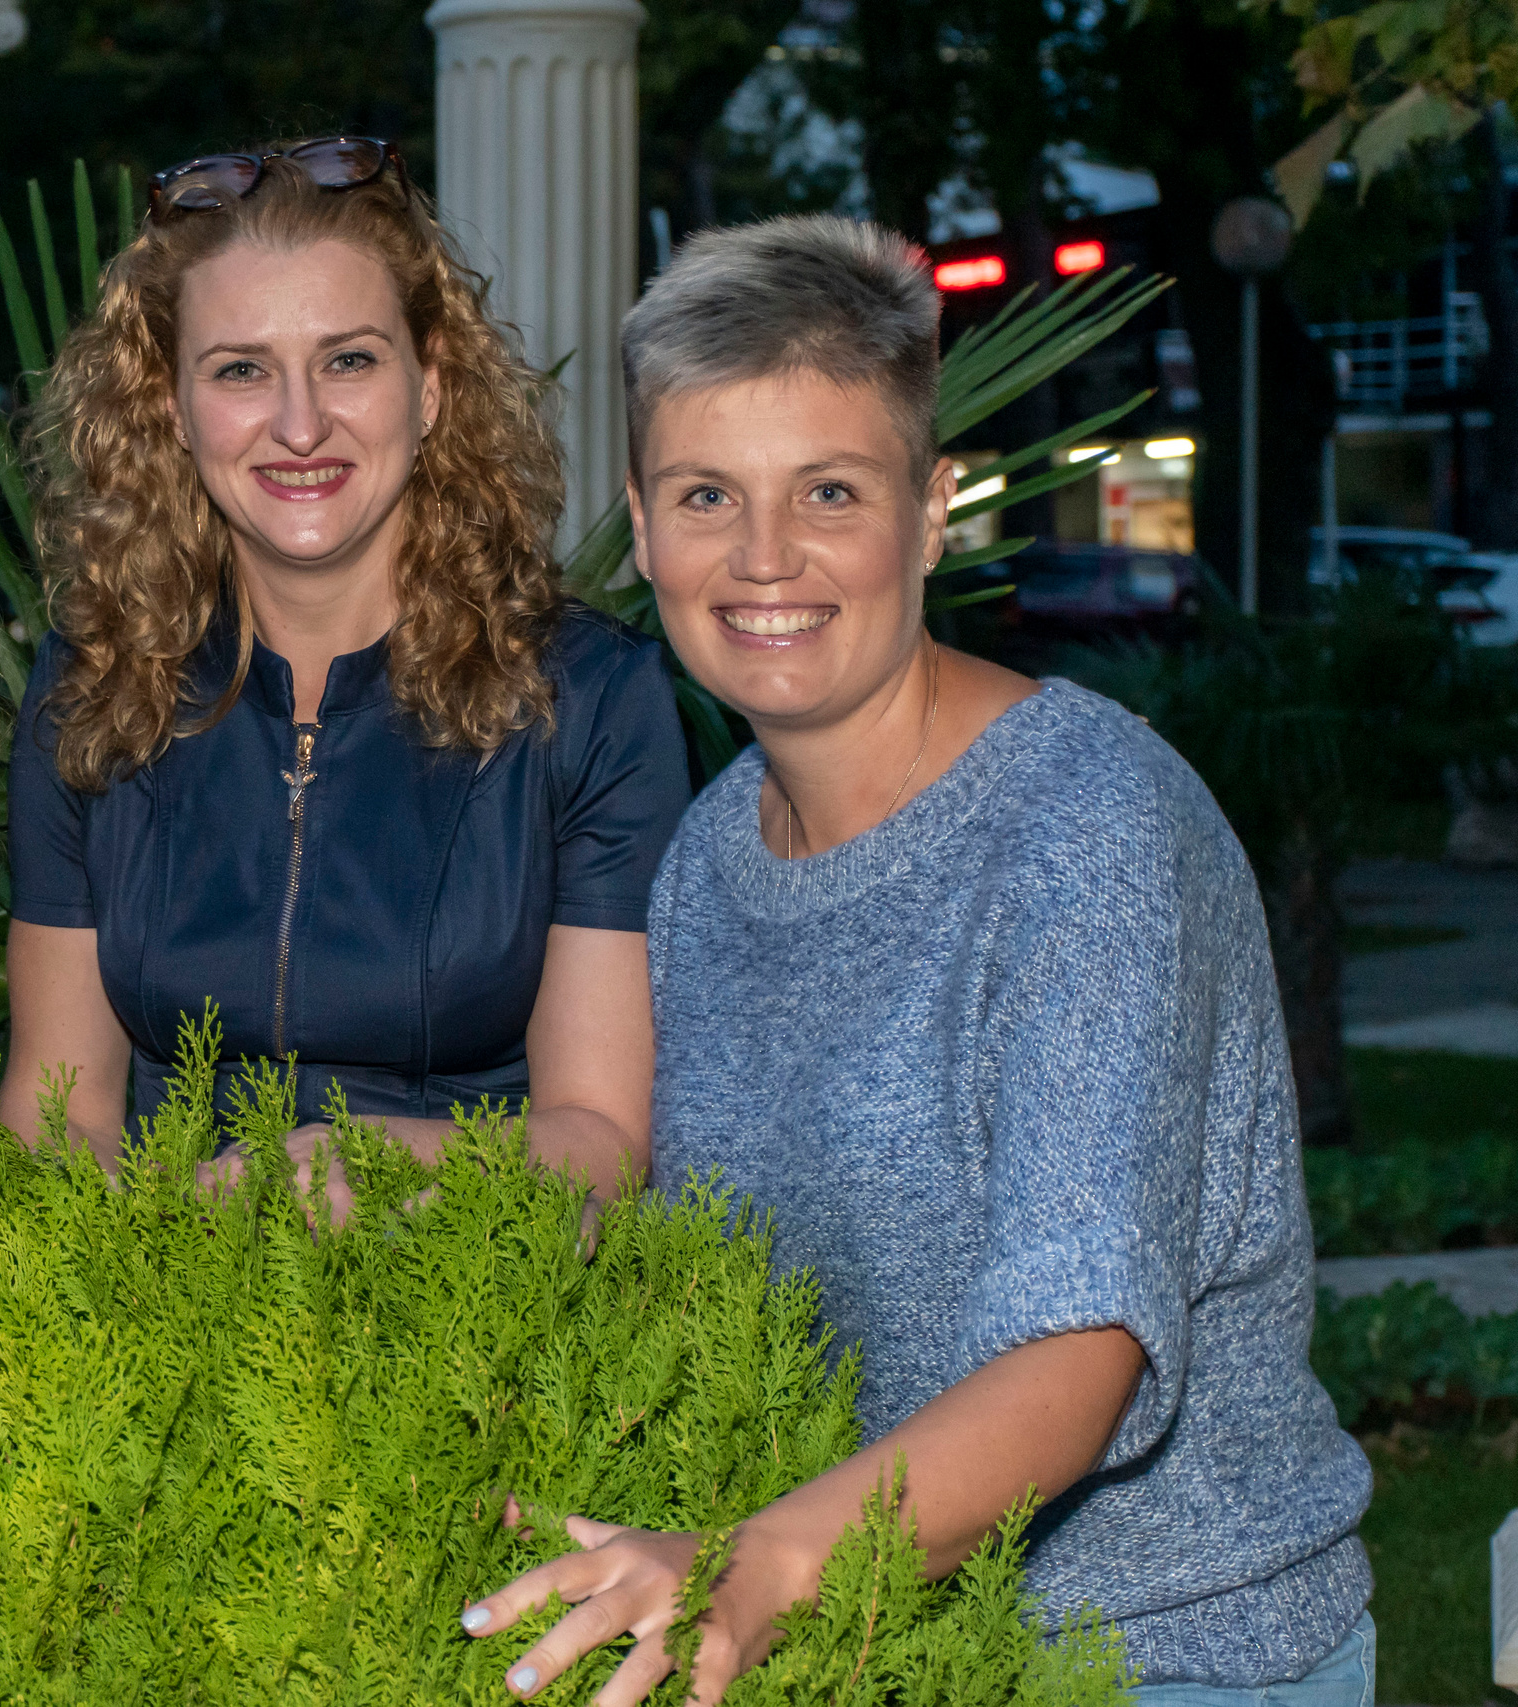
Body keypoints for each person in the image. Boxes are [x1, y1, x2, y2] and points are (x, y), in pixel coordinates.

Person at [460, 217, 1372, 1705]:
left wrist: (747, 1566)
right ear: (640, 523)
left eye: (830, 489)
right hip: (871, 1635)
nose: (764, 557)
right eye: (708, 495)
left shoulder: (1089, 829)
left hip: (1166, 1650)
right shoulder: (705, 859)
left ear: (934, 509)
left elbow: (1078, 1357)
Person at [0, 138, 690, 1211]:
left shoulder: (588, 698)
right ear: (172, 410)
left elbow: (599, 1138)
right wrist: (185, 1234)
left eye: (348, 360)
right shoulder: (91, 689)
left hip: (486, 1313)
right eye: (240, 370)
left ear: (430, 386)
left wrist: (358, 1164)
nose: (299, 423)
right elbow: (57, 1124)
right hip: (156, 1304)